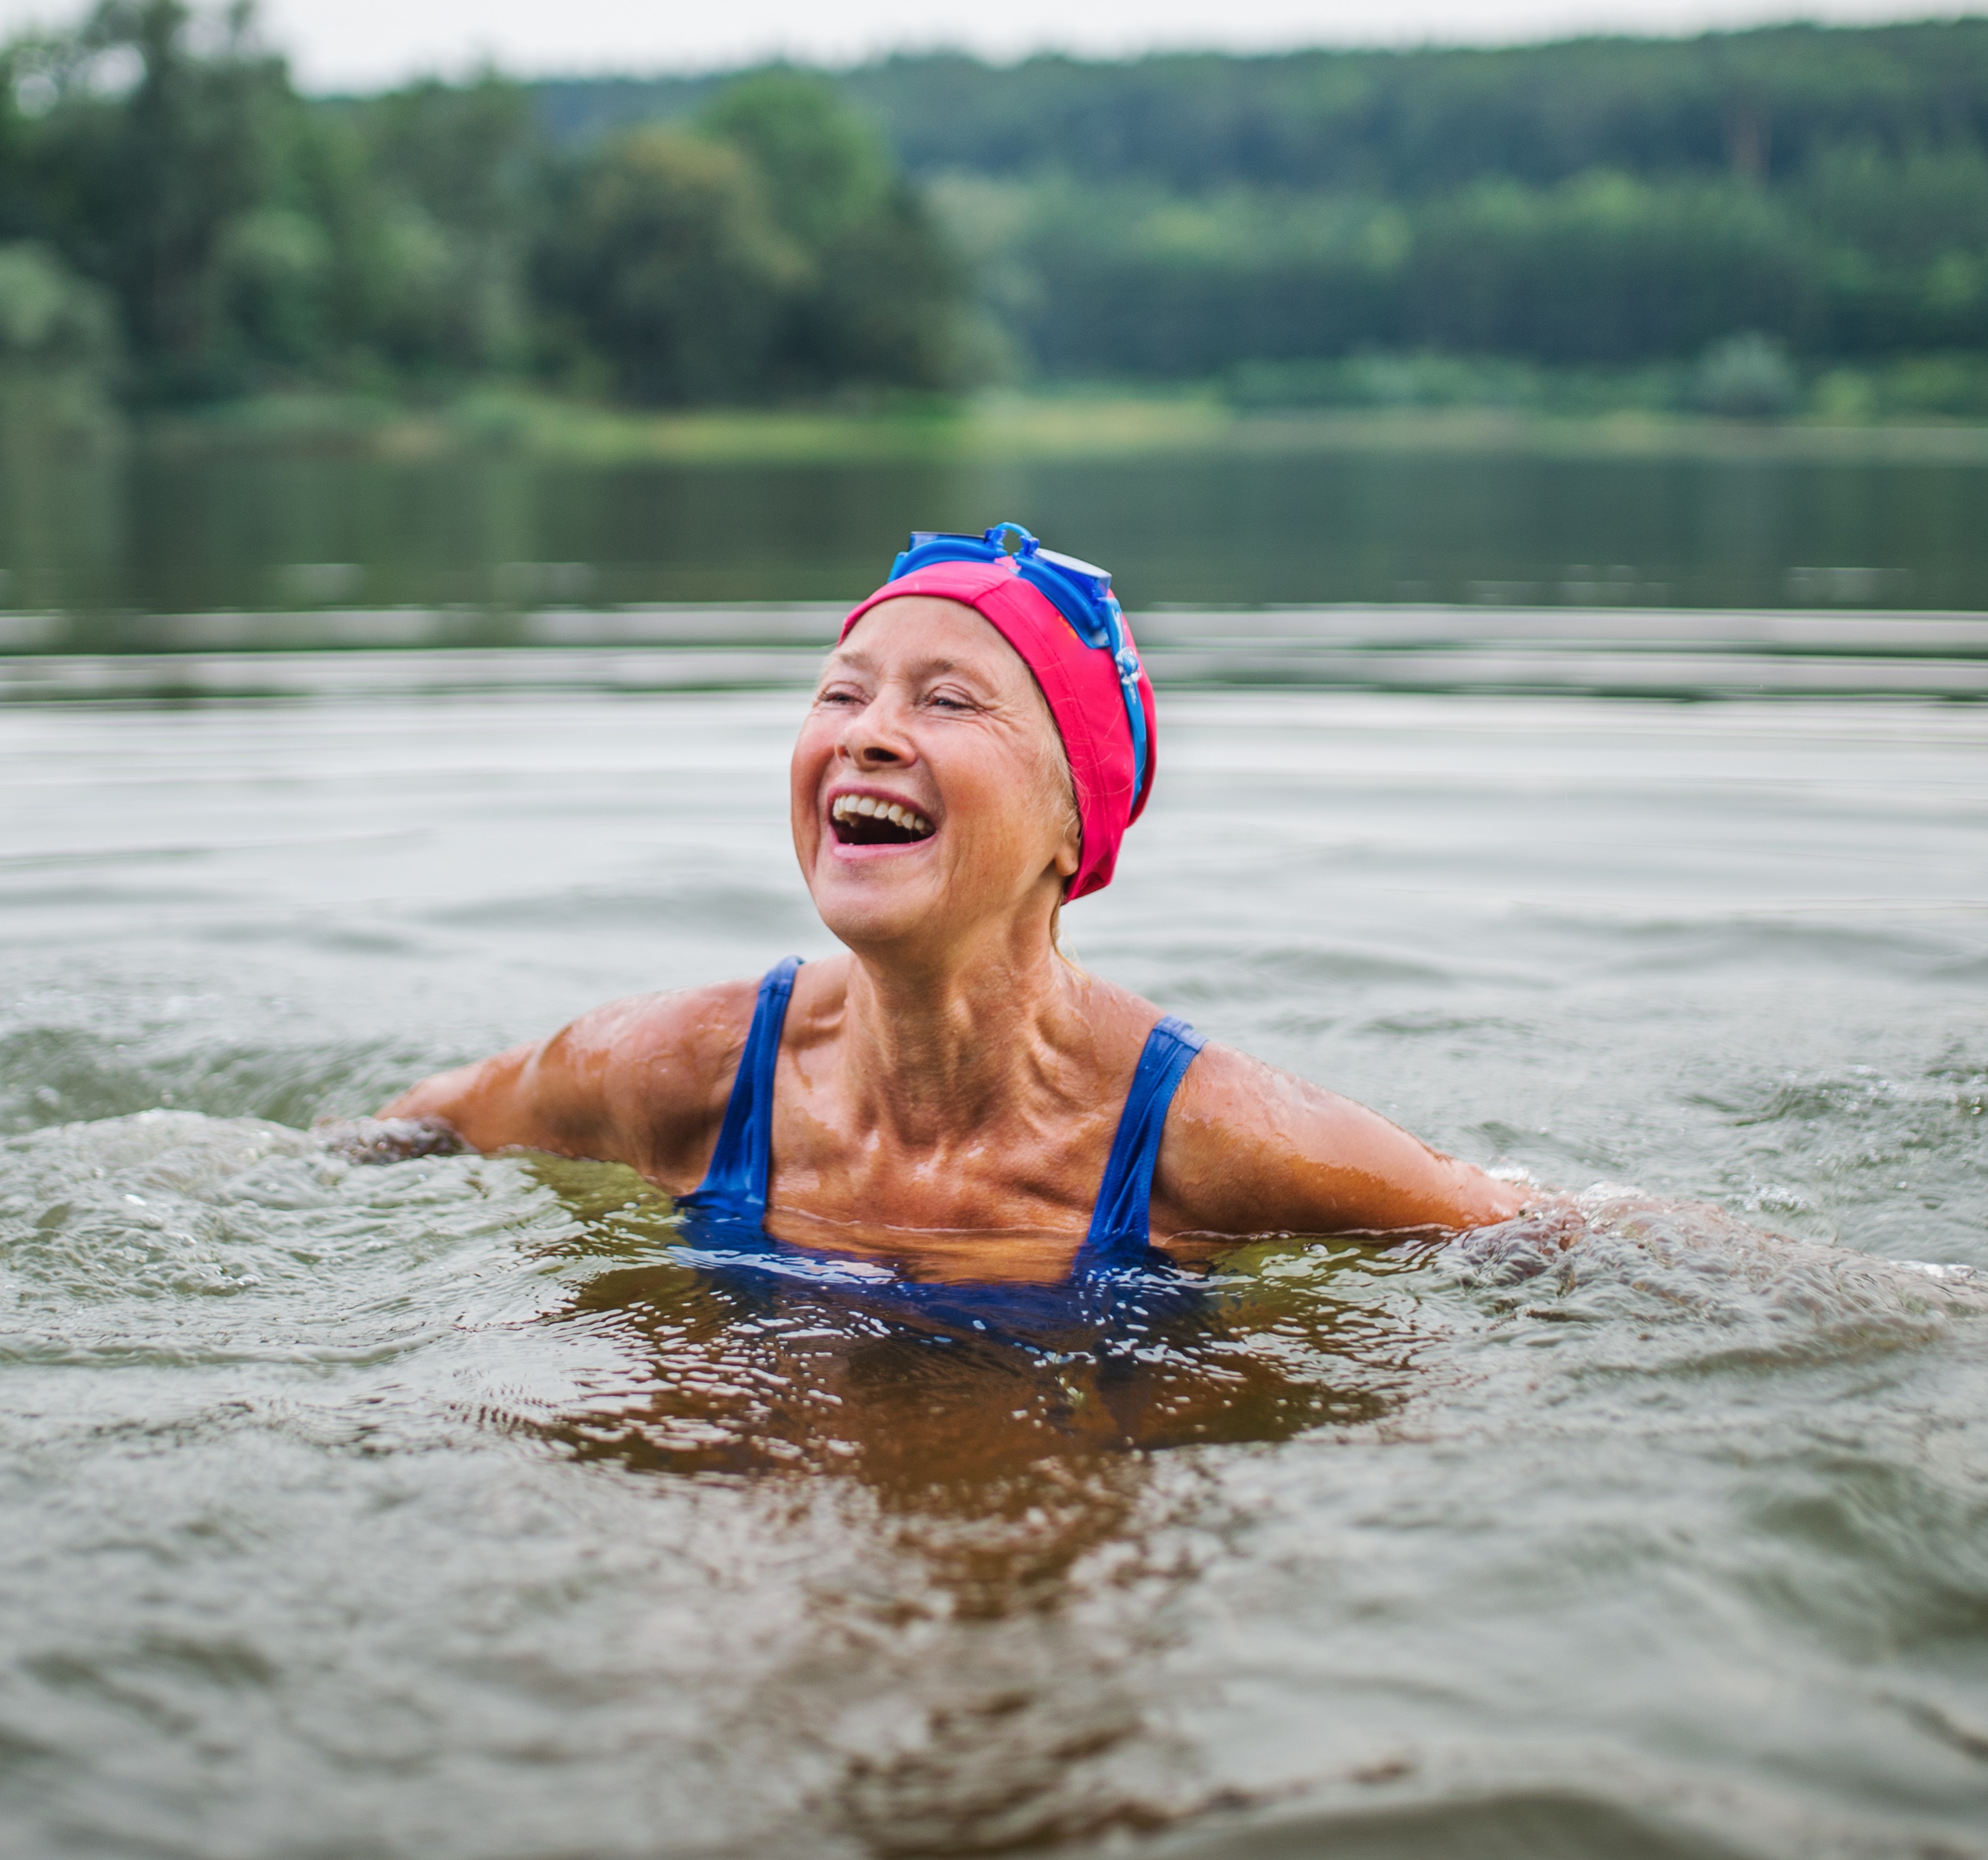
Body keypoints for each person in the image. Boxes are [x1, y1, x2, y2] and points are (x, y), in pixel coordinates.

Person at [379, 524, 1531, 1288]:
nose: (867, 731)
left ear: (1076, 824)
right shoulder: (678, 1067)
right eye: (842, 691)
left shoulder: (1213, 1138)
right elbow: (415, 1129)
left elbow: (1552, 1235)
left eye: (948, 701)